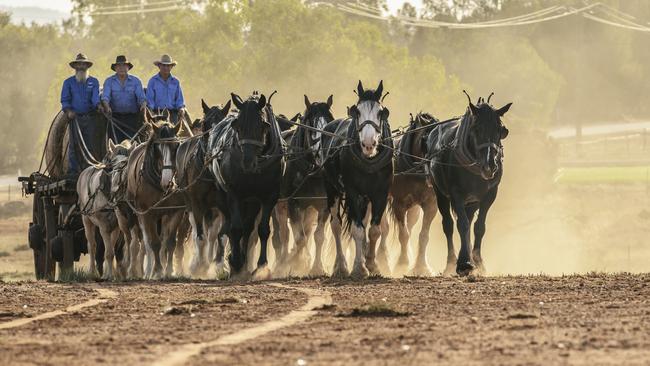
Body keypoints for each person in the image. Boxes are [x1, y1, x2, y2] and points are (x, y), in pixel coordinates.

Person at [60, 53, 100, 175]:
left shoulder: (94, 82)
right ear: (75, 66)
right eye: (79, 64)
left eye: (83, 64)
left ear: (87, 66)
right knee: (74, 144)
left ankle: (88, 168)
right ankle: (73, 170)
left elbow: (95, 99)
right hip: (75, 118)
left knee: (90, 143)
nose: (81, 66)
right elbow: (65, 100)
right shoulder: (68, 82)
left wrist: (99, 106)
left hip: (90, 117)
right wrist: (69, 111)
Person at [101, 55, 146, 143]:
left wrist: (143, 106)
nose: (122, 68)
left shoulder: (136, 81)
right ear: (115, 68)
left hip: (132, 118)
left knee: (132, 144)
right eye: (119, 66)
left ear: (128, 67)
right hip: (115, 118)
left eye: (124, 65)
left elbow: (141, 98)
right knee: (115, 145)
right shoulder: (109, 81)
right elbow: (105, 97)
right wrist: (106, 106)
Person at [146, 54, 187, 124]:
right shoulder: (153, 81)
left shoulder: (175, 81)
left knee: (186, 130)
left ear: (171, 67)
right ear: (159, 66)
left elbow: (179, 100)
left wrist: (181, 108)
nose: (166, 68)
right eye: (163, 65)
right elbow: (150, 100)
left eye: (168, 66)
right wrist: (151, 111)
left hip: (173, 114)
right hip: (157, 114)